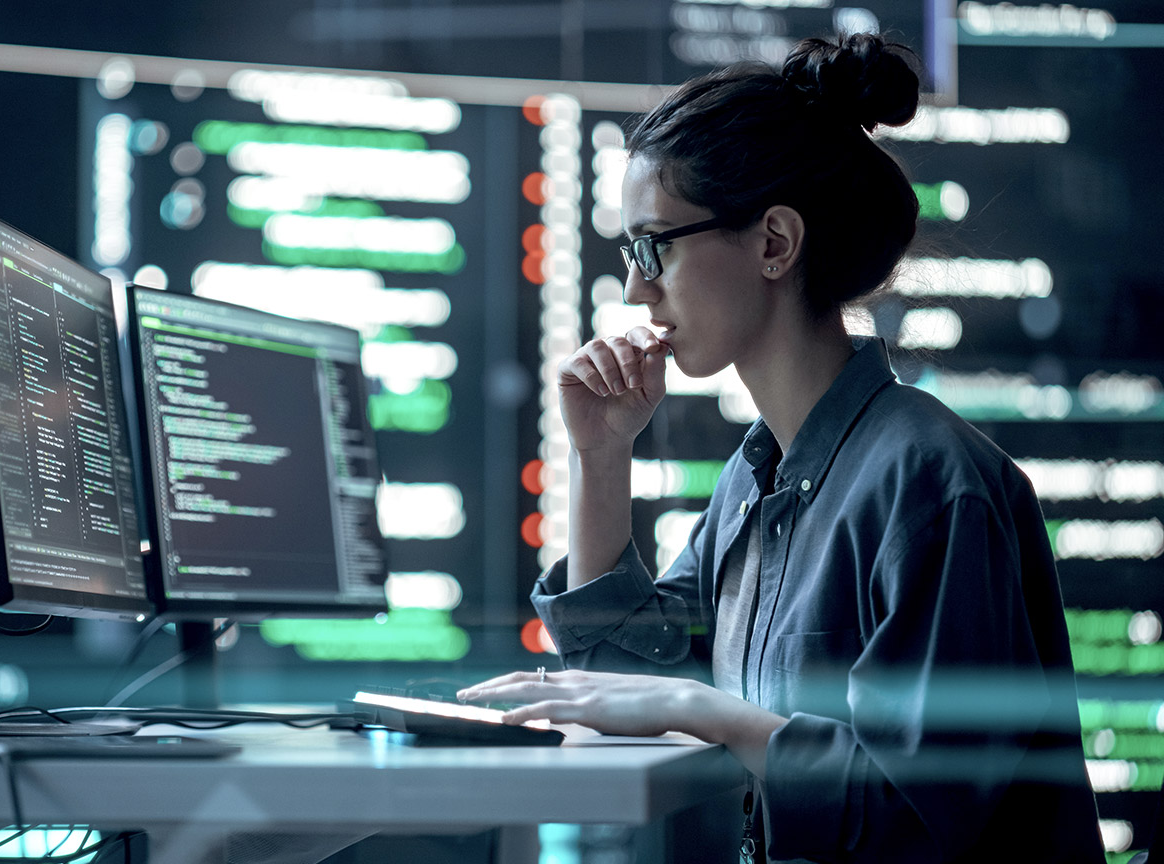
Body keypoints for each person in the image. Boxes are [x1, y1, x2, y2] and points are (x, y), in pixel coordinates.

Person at [458, 31, 1104, 864]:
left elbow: (908, 818)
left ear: (773, 243)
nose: (633, 289)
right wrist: (600, 458)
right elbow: (621, 680)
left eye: (655, 247)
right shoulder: (761, 475)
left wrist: (705, 713)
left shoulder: (929, 482)